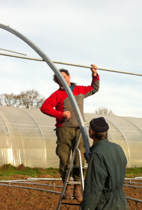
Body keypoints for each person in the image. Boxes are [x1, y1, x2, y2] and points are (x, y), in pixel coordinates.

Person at [40, 65, 100, 201]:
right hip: (64, 130)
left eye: (65, 76)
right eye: (60, 78)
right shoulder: (57, 95)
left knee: (80, 158)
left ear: (69, 77)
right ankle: (67, 187)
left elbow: (94, 88)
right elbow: (44, 107)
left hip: (80, 129)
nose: (63, 79)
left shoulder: (79, 90)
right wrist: (60, 114)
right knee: (64, 159)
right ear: (58, 82)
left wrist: (95, 74)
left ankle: (78, 188)